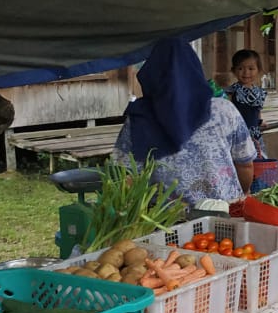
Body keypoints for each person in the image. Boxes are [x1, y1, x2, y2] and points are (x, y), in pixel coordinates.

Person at [112, 37, 256, 209]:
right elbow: (245, 164)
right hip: (225, 213)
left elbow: (124, 177)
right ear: (194, 69)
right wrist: (243, 194)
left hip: (167, 223)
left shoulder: (139, 118)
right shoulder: (224, 110)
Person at [227, 49, 267, 157]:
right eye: (240, 68)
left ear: (258, 70)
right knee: (241, 161)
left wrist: (259, 121)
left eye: (251, 68)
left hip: (255, 134)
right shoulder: (231, 91)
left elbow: (257, 109)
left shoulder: (259, 92)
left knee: (258, 160)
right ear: (233, 70)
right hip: (237, 134)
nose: (246, 72)